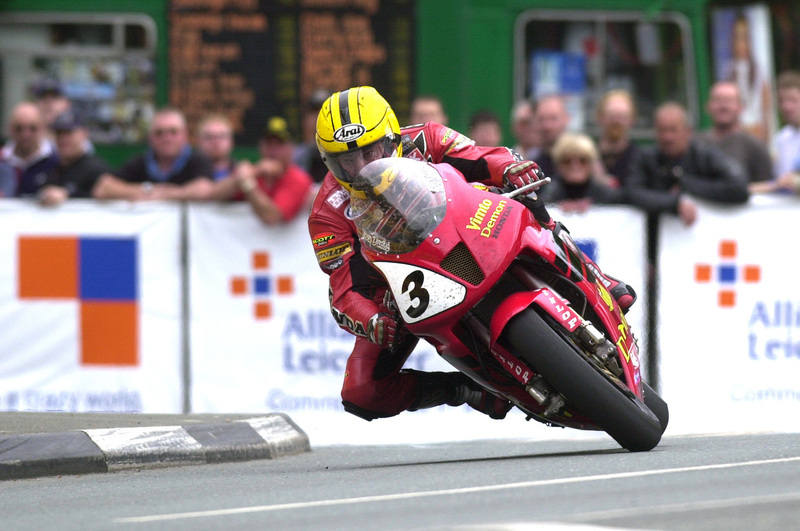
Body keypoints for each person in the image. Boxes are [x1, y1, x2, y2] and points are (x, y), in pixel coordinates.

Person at [308, 86, 635, 423]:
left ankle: (596, 276)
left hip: (469, 231)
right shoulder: (325, 215)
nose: (361, 168)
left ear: (392, 139)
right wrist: (370, 318)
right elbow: (344, 287)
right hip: (408, 285)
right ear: (328, 161)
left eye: (370, 152)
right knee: (360, 392)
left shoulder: (425, 138)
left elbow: (481, 156)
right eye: (346, 161)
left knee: (524, 195)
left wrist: (509, 167)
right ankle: (468, 389)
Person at [627, 102, 749, 226]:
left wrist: (687, 186)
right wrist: (675, 203)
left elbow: (738, 188)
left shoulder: (704, 155)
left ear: (688, 132)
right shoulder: (645, 158)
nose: (668, 137)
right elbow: (633, 192)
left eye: (673, 130)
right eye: (662, 130)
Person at [93, 107, 214, 201]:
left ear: (185, 135)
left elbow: (205, 190)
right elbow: (103, 188)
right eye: (159, 133)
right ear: (150, 137)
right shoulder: (140, 162)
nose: (167, 138)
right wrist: (148, 189)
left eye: (173, 132)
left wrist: (163, 194)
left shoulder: (198, 160)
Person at [212, 116, 312, 224]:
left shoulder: (298, 178)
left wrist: (248, 184)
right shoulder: (255, 172)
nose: (273, 150)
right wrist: (247, 175)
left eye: (279, 144)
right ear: (260, 146)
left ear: (291, 148)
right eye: (269, 143)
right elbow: (214, 195)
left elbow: (272, 217)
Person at [698, 81, 772, 183]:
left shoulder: (755, 146)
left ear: (741, 107)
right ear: (708, 106)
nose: (723, 106)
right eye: (717, 100)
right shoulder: (696, 143)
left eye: (729, 101)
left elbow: (766, 187)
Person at [38, 111, 112, 206]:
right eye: (59, 133)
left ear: (84, 134)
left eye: (68, 133)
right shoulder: (49, 167)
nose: (63, 138)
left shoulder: (97, 169)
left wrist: (68, 195)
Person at [540, 133, 626, 213]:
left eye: (583, 160)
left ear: (591, 163)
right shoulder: (548, 192)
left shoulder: (604, 192)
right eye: (567, 161)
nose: (575, 166)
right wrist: (558, 207)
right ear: (558, 165)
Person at [722, 12, 771, 142]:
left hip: (757, 130)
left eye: (744, 37)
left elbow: (766, 107)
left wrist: (766, 134)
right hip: (739, 133)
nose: (741, 43)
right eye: (738, 37)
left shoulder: (758, 70)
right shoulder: (729, 70)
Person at [0, 102, 58, 197]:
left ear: (43, 128)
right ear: (10, 129)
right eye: (19, 128)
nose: (25, 135)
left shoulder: (57, 159)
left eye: (33, 128)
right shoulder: (2, 159)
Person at [596, 89, 640, 187]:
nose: (616, 122)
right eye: (611, 116)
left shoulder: (640, 159)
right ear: (599, 117)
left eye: (622, 117)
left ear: (632, 120)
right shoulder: (585, 158)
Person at [293, 88, 332, 184]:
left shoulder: (349, 155)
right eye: (314, 112)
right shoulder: (296, 157)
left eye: (325, 111)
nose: (318, 117)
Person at [533, 94, 570, 178]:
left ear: (566, 119)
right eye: (541, 119)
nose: (547, 126)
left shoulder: (580, 161)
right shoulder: (533, 165)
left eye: (553, 119)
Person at [773, 70, 800, 182]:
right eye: (781, 101)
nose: (786, 107)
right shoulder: (781, 137)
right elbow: (781, 180)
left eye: (792, 100)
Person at [196, 114, 236, 180]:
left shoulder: (242, 172)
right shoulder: (184, 174)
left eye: (222, 136)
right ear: (198, 141)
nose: (216, 141)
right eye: (209, 137)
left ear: (231, 141)